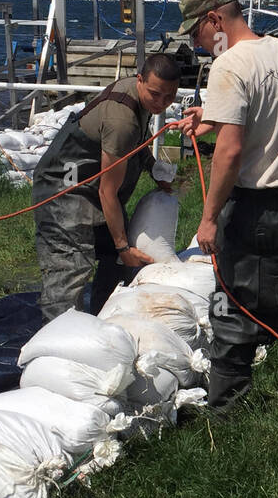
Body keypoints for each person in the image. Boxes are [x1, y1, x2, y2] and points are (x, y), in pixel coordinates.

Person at [174, 0, 278, 412]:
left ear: (215, 19)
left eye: (196, 33)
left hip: (257, 209)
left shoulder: (229, 65)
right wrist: (211, 118)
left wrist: (209, 219)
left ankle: (228, 414)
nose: (197, 43)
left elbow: (231, 150)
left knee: (234, 309)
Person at [32, 53, 178, 323]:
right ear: (140, 81)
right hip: (63, 189)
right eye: (155, 95)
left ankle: (104, 322)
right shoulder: (121, 120)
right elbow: (107, 192)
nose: (161, 103)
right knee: (71, 267)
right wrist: (124, 248)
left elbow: (136, 143)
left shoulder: (141, 100)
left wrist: (154, 168)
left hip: (93, 188)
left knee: (116, 260)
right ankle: (60, 340)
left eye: (169, 97)